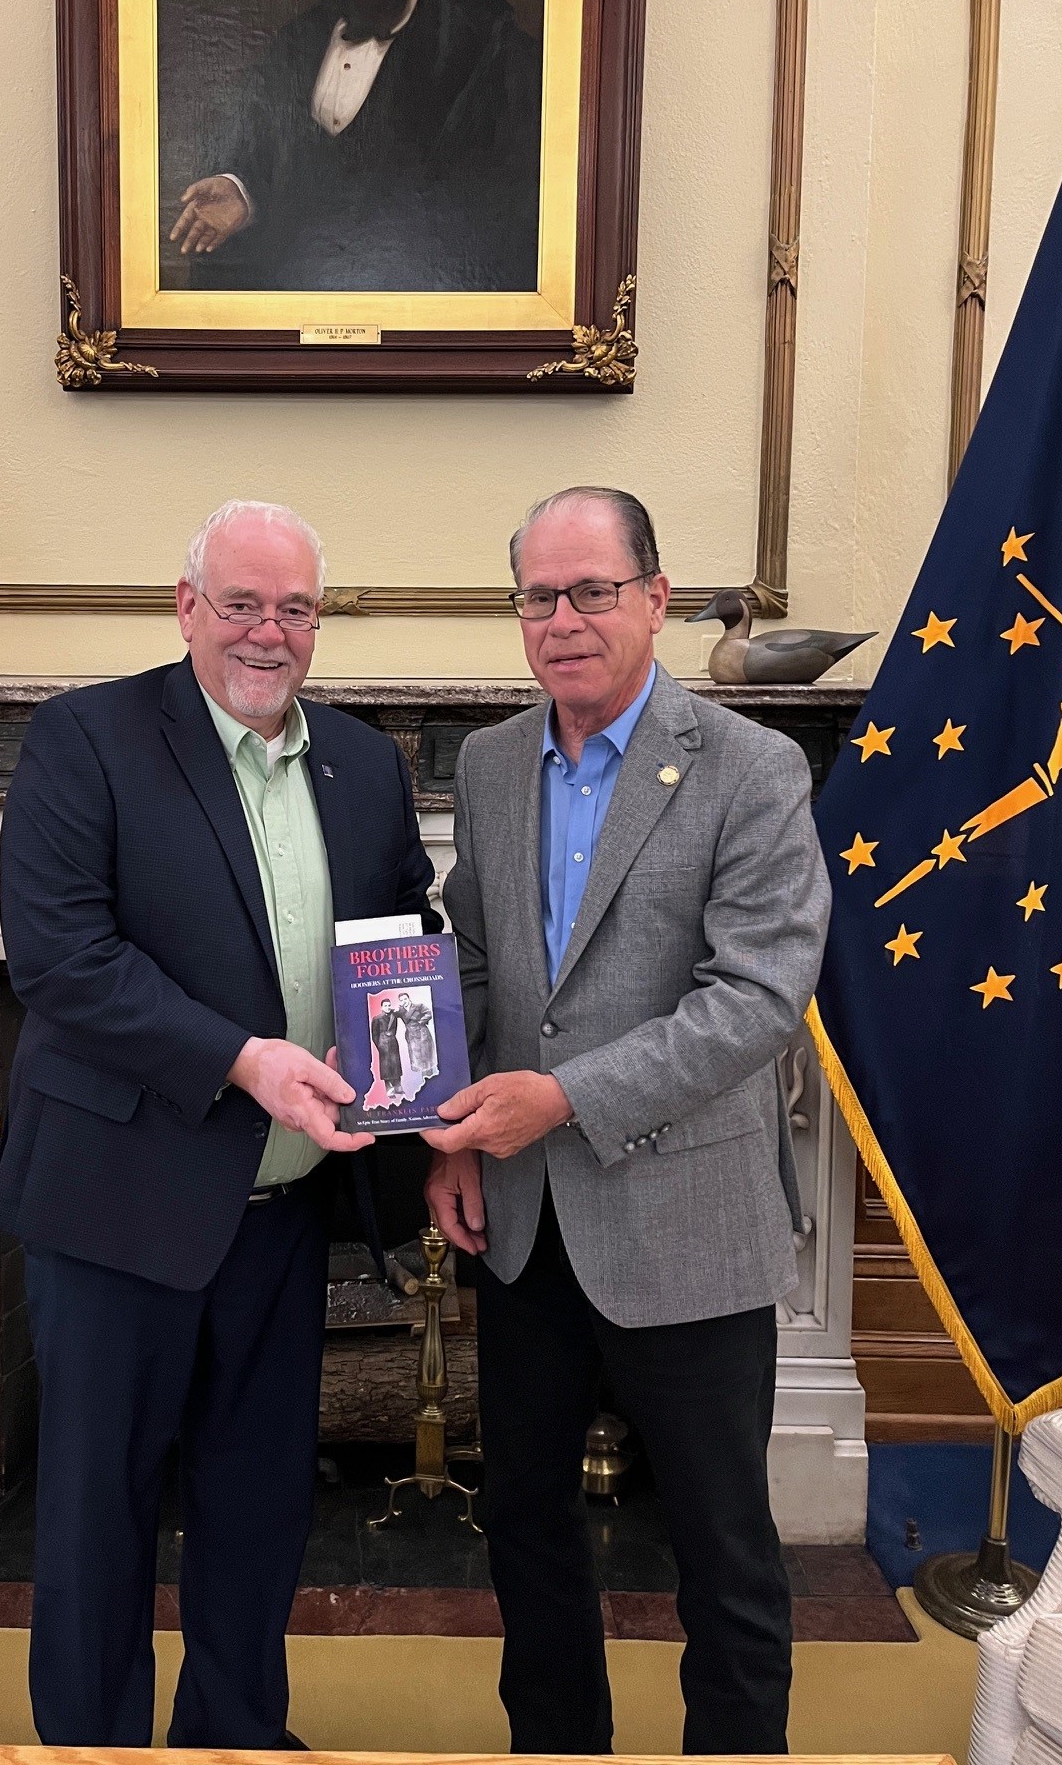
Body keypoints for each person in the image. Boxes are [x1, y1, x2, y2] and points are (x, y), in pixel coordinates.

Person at [0, 499, 437, 1747]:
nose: (267, 632)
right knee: (99, 1517)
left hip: (282, 1215)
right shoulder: (87, 739)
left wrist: (399, 1042)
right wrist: (244, 1059)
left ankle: (235, 1737)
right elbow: (62, 960)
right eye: (240, 603)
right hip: (116, 1209)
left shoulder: (362, 760)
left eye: (294, 608)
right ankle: (95, 1746)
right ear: (185, 607)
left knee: (258, 1509)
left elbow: (403, 929)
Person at [423, 485, 831, 1754]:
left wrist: (563, 1099)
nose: (563, 619)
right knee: (530, 1533)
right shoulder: (493, 762)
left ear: (655, 598)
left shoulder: (753, 768)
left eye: (592, 590)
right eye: (538, 596)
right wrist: (449, 1131)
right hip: (525, 1221)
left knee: (725, 1556)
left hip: (690, 1226)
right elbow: (478, 959)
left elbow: (757, 998)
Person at [169, 0, 542, 292]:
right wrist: (240, 192)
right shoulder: (297, 42)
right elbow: (260, 150)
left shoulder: (485, 41)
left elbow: (511, 225)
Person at [369, 996, 406, 1102]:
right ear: (381, 1007)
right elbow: (374, 1034)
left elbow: (401, 1012)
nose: (388, 1007)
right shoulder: (377, 1019)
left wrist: (395, 1009)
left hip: (393, 1042)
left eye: (389, 1005)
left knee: (396, 1064)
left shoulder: (394, 1015)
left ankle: (398, 1086)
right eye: (385, 1006)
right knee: (386, 1067)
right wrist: (379, 1045)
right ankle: (389, 1088)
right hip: (383, 1044)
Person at [396, 990, 437, 1081]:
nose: (404, 1001)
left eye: (405, 999)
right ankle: (424, 1080)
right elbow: (393, 1015)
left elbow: (428, 1013)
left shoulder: (419, 1006)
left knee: (426, 1055)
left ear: (409, 999)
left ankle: (430, 1078)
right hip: (411, 1036)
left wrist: (421, 1022)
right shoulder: (401, 1011)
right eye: (401, 1000)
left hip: (422, 1033)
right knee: (417, 1057)